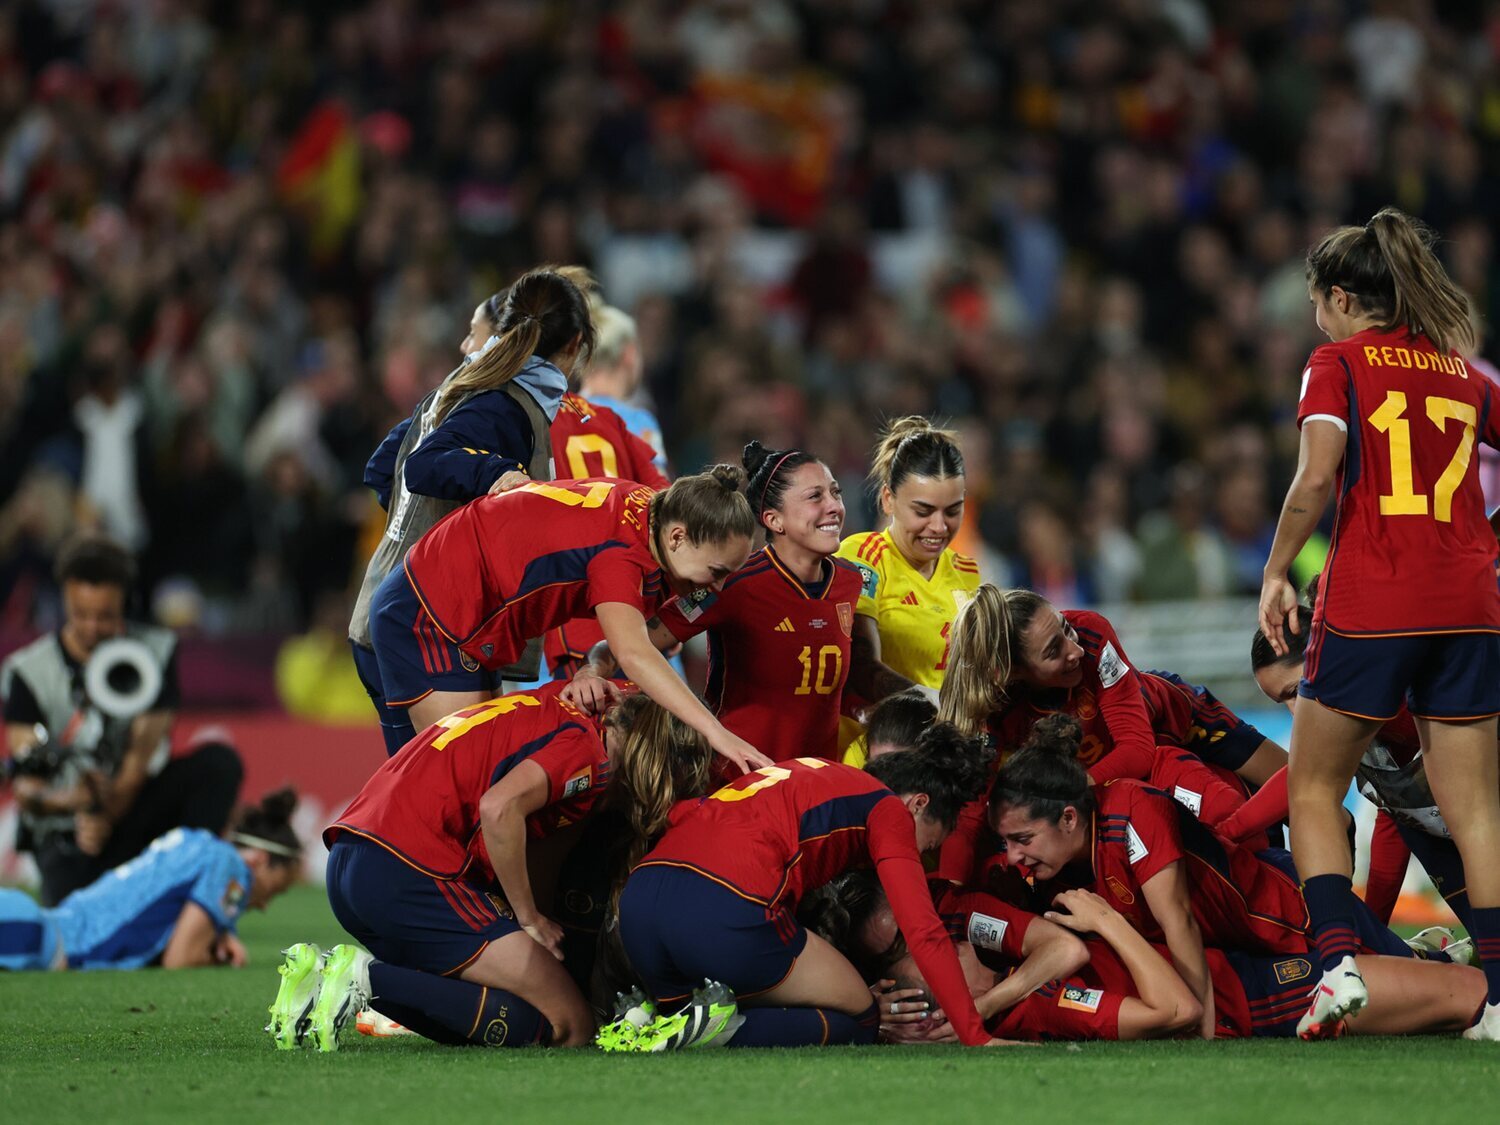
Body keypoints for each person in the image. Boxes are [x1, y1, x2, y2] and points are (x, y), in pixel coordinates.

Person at [1257, 206, 1500, 1040]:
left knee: (1314, 784)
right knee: (1476, 809)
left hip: (1375, 598)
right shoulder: (1462, 372)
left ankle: (1334, 969)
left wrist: (1276, 568)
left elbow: (1316, 479)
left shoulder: (1337, 362)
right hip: (1470, 604)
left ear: (1335, 297)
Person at [269, 687, 709, 1052]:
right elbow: (499, 810)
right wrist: (528, 918)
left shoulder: (557, 706)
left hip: (351, 859)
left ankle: (325, 982)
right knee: (573, 1025)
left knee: (517, 1014)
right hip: (409, 869)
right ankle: (363, 978)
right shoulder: (590, 752)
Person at [987, 715, 1419, 1040]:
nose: (1013, 856)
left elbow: (1180, 922)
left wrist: (1202, 1035)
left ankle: (1456, 961)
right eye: (1006, 842)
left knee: (1414, 976)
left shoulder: (1130, 808)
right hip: (1238, 951)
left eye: (1022, 839)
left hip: (1285, 913)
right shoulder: (1056, 872)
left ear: (1067, 818)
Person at [605, 729, 1006, 1050]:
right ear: (917, 804)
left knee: (687, 1017)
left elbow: (686, 814)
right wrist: (975, 1035)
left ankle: (649, 1024)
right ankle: (705, 1036)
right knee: (862, 1018)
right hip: (724, 904)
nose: (919, 858)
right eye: (928, 846)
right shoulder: (889, 810)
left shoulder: (810, 772)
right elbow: (922, 929)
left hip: (641, 902)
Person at [368, 469, 770, 774]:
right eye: (716, 572)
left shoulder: (650, 512)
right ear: (678, 538)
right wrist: (718, 735)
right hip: (430, 616)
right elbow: (635, 654)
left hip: (454, 608)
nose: (717, 587)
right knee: (462, 786)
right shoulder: (622, 556)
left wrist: (593, 667)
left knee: (470, 780)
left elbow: (631, 644)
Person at [349, 266, 594, 754]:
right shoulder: (504, 404)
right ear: (576, 345)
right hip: (425, 628)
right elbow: (422, 466)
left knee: (426, 797)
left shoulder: (460, 392)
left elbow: (384, 471)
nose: (465, 345)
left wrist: (423, 532)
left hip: (391, 613)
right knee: (445, 802)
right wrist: (492, 476)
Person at [934, 584, 1286, 883]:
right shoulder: (994, 709)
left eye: (1064, 627)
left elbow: (1136, 750)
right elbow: (973, 812)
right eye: (1053, 651)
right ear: (1014, 674)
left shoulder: (1091, 630)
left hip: (1183, 723)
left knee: (1301, 784)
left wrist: (1062, 793)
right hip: (1118, 779)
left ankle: (1342, 833)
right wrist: (950, 891)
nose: (1075, 650)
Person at [577, 442, 863, 763]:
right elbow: (628, 646)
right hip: (742, 778)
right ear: (773, 520)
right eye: (815, 497)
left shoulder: (852, 583)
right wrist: (590, 671)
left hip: (820, 781)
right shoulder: (730, 584)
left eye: (836, 493)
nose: (834, 506)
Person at [1, 533, 243, 905]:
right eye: (80, 615)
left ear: (125, 604)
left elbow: (138, 762)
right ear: (65, 599)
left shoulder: (154, 653)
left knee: (218, 764)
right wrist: (72, 803)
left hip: (130, 811)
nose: (92, 628)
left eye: (106, 616)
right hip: (65, 829)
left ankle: (194, 893)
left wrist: (104, 809)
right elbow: (24, 783)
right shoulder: (28, 672)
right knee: (71, 914)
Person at [1243, 593, 1474, 937]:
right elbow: (1400, 814)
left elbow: (1304, 785)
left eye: (1296, 690)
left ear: (1328, 659)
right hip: (1444, 838)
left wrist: (1228, 831)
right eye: (1283, 701)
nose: (1295, 711)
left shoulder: (1422, 692)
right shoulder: (1348, 724)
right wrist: (1375, 931)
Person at [0, 789, 300, 970]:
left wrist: (218, 932)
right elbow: (180, 959)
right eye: (275, 889)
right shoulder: (234, 869)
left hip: (34, 924)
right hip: (39, 940)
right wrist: (213, 957)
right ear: (259, 859)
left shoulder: (194, 840)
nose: (263, 906)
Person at [836, 417, 981, 766]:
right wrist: (935, 703)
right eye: (923, 511)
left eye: (952, 511)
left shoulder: (967, 573)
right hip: (874, 754)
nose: (939, 526)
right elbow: (860, 667)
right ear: (888, 499)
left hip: (944, 753)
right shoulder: (863, 556)